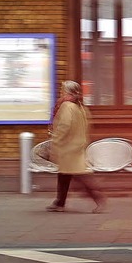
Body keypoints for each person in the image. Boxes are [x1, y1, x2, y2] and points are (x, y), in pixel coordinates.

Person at [47, 80, 106, 213]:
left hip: (68, 148)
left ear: (68, 93)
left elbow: (64, 126)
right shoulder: (81, 107)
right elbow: (87, 126)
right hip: (77, 147)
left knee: (79, 177)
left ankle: (98, 198)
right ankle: (59, 203)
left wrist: (55, 141)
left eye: (63, 91)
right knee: (64, 175)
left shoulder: (67, 106)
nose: (61, 93)